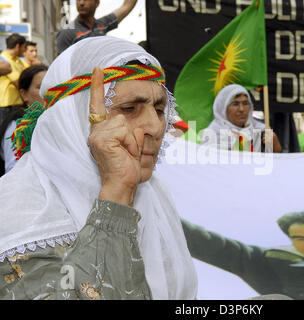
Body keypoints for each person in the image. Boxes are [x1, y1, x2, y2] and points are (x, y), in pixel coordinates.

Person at [0, 36, 197, 300]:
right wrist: (116, 195)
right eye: (129, 108)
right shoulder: (18, 217)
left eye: (160, 109)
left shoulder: (154, 194)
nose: (155, 126)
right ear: (73, 117)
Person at [201, 84, 282, 153]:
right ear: (223, 108)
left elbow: (276, 162)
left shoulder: (261, 130)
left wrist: (275, 144)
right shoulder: (213, 133)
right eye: (235, 104)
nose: (241, 109)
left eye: (245, 103)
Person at [0, 64, 48, 176]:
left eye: (50, 85)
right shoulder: (17, 125)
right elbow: (13, 170)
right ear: (24, 94)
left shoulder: (51, 118)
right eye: (40, 87)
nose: (47, 91)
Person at [56, 0, 138, 55]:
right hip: (81, 80)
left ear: (97, 3)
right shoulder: (67, 32)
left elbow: (126, 6)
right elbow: (61, 66)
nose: (81, 3)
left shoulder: (101, 24)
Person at [0, 34, 27, 109]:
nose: (25, 50)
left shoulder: (18, 60)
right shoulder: (3, 60)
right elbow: (18, 82)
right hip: (6, 107)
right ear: (17, 46)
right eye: (24, 47)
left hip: (17, 105)